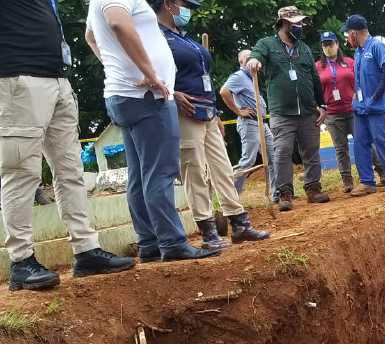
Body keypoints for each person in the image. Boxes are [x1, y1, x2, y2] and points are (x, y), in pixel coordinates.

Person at [0, 0, 135, 291]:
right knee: (21, 172)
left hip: (58, 79)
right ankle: (21, 261)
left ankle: (86, 250)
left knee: (70, 170)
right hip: (18, 77)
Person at [86, 0, 219, 261]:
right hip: (146, 96)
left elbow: (90, 36)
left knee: (140, 173)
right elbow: (117, 23)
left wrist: (115, 66)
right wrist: (148, 72)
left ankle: (149, 242)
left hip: (127, 94)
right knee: (161, 171)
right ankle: (172, 243)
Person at [153, 0, 269, 249]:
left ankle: (239, 223)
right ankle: (208, 232)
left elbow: (203, 77)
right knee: (194, 170)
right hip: (184, 112)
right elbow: (151, 72)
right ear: (168, 4)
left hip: (206, 110)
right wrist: (171, 93)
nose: (187, 11)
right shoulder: (154, 36)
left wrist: (216, 112)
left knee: (222, 167)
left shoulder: (183, 37)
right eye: (184, 5)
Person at [246, 6, 329, 212]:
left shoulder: (305, 49)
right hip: (282, 112)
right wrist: (254, 61)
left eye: (301, 23)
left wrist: (322, 105)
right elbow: (256, 55)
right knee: (282, 152)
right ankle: (284, 193)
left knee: (311, 150)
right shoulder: (267, 44)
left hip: (308, 111)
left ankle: (313, 188)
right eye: (296, 23)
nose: (300, 27)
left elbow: (314, 79)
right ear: (284, 23)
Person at [315, 31, 385, 193]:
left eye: (331, 43)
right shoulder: (318, 67)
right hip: (332, 114)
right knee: (340, 149)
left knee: (364, 142)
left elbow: (361, 81)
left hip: (353, 110)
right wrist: (319, 107)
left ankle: (382, 171)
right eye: (325, 44)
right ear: (322, 47)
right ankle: (347, 180)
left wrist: (362, 101)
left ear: (337, 44)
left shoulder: (350, 62)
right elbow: (315, 90)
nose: (328, 47)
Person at [341, 15, 385, 196]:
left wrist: (374, 98)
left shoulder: (377, 46)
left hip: (377, 107)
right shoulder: (358, 52)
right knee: (360, 144)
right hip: (360, 108)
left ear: (354, 33)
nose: (347, 38)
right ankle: (367, 182)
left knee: (383, 143)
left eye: (347, 34)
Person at [220, 50, 277, 200]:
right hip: (249, 124)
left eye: (252, 56)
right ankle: (231, 197)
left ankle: (275, 193)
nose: (251, 59)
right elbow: (224, 91)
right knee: (248, 161)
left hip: (261, 124)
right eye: (247, 57)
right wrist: (238, 111)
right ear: (241, 62)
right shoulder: (238, 77)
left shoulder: (252, 77)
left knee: (273, 157)